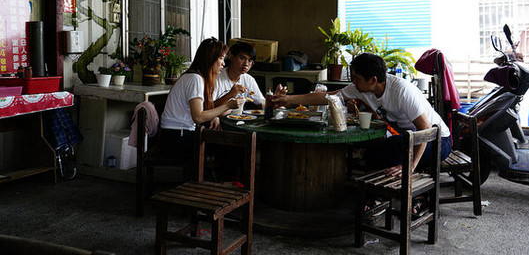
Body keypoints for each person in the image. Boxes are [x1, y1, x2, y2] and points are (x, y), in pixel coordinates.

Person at [273, 52, 452, 175]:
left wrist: (409, 166)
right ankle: (380, 195)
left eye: (356, 79)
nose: (354, 83)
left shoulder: (402, 91)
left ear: (373, 80)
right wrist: (288, 100)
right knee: (376, 151)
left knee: (391, 148)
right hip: (408, 139)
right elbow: (328, 97)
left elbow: (425, 129)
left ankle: (409, 195)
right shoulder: (362, 88)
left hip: (438, 141)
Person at [160, 37, 244, 159]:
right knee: (232, 145)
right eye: (220, 58)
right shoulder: (195, 79)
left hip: (176, 135)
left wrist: (215, 115)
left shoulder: (196, 76)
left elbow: (203, 109)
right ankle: (221, 178)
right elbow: (198, 117)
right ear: (210, 58)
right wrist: (228, 105)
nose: (223, 63)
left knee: (229, 143)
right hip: (177, 138)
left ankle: (218, 178)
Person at [214, 40, 287, 109]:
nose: (246, 64)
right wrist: (230, 95)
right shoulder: (216, 77)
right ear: (232, 57)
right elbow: (209, 107)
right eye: (242, 58)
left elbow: (261, 103)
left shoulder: (248, 79)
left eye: (250, 61)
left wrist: (275, 100)